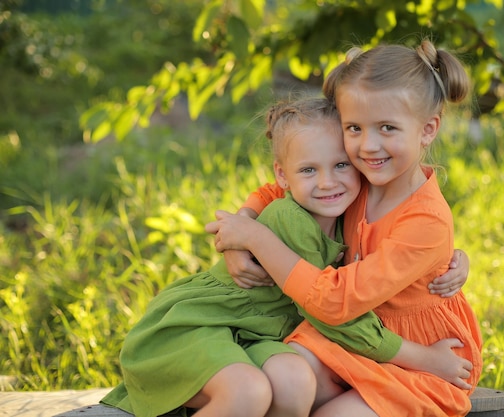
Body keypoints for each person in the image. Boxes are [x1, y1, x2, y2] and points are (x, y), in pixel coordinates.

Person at [101, 96, 472, 417]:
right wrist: (422, 358)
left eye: (341, 165)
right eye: (309, 170)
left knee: (294, 382)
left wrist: (447, 257)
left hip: (259, 332)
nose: (328, 182)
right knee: (248, 392)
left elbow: (401, 238)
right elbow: (331, 310)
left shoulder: (347, 204)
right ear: (284, 175)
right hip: (202, 325)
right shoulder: (293, 218)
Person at [206, 39, 483, 417]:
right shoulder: (361, 177)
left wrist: (257, 239)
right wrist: (242, 226)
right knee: (285, 376)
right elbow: (279, 189)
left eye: (387, 127)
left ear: (428, 129)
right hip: (354, 333)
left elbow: (335, 302)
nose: (368, 145)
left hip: (425, 356)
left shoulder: (426, 220)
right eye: (354, 127)